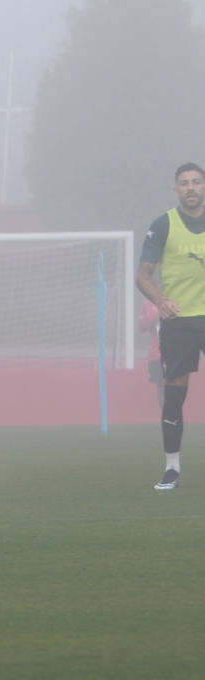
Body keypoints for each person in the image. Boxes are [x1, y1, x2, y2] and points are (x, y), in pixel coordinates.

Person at [135, 162, 205, 491]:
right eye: (184, 183)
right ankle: (172, 468)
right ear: (175, 189)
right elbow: (143, 275)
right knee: (174, 395)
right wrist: (161, 300)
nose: (190, 187)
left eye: (196, 182)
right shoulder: (163, 224)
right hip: (178, 323)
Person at [139, 299, 164, 408]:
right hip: (157, 354)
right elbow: (141, 327)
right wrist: (155, 317)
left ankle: (172, 414)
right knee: (161, 385)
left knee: (174, 385)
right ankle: (166, 416)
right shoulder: (148, 303)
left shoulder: (175, 297)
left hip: (174, 351)